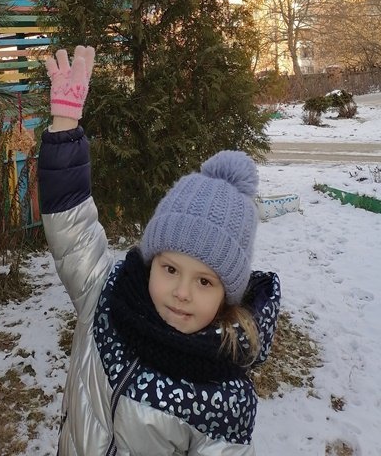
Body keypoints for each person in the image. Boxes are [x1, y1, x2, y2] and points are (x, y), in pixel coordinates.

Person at [38, 46, 281, 456]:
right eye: (170, 269)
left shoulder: (220, 398)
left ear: (227, 295)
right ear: (151, 263)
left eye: (204, 281)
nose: (182, 292)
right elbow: (72, 228)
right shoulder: (107, 300)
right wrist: (65, 122)